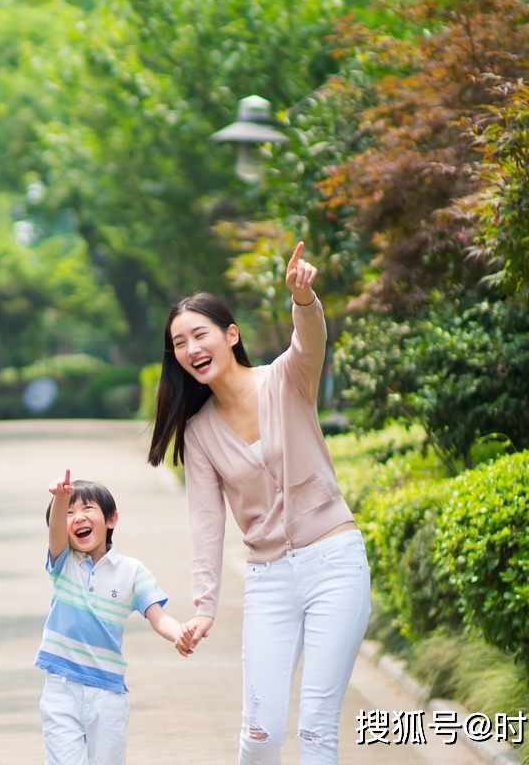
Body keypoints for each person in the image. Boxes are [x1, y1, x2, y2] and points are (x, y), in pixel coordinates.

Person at [147, 242, 369, 765]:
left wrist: (303, 298)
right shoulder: (198, 434)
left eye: (199, 334)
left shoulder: (285, 380)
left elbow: (309, 343)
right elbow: (206, 525)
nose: (190, 348)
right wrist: (204, 606)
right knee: (261, 734)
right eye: (179, 342)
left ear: (231, 335)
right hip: (269, 581)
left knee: (316, 729)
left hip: (334, 563)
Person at [36, 470, 186, 765]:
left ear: (111, 519)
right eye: (69, 513)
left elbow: (158, 616)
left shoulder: (132, 570)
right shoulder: (63, 562)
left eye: (87, 508)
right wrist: (59, 499)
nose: (77, 517)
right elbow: (54, 529)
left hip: (108, 694)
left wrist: (179, 632)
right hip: (61, 689)